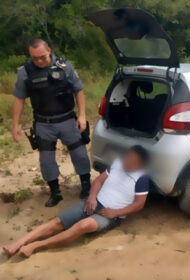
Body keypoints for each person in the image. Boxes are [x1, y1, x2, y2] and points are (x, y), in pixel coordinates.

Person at [2, 145, 150, 258]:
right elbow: (98, 181)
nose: (126, 160)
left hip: (110, 215)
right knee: (57, 222)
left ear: (139, 164)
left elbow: (139, 204)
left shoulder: (142, 178)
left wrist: (115, 212)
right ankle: (19, 242)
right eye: (127, 156)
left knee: (83, 225)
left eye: (131, 159)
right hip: (93, 202)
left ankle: (37, 246)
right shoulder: (117, 164)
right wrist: (92, 197)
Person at [11, 38, 91, 207]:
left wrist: (82, 115)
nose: (39, 61)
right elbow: (19, 98)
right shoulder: (25, 72)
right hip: (43, 123)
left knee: (80, 154)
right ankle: (55, 192)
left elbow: (78, 90)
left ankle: (86, 185)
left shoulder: (65, 66)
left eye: (42, 57)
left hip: (68, 119)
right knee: (46, 160)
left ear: (49, 50)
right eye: (35, 58)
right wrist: (15, 124)